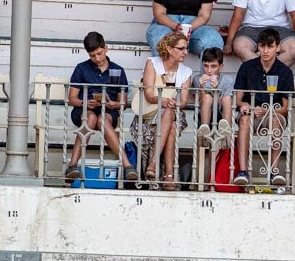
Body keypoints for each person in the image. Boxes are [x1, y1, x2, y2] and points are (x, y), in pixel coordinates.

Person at [65, 31, 137, 184]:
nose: (97, 58)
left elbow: (122, 102)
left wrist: (114, 104)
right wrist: (85, 102)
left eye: (99, 53)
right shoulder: (82, 68)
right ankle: (72, 166)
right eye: (92, 56)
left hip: (109, 110)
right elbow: (72, 99)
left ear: (106, 48)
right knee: (91, 118)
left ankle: (127, 166)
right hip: (84, 109)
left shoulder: (118, 70)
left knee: (102, 120)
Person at [233, 28, 295, 188]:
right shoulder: (246, 67)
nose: (266, 51)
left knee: (276, 121)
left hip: (273, 115)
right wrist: (245, 106)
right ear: (258, 47)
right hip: (251, 115)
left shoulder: (285, 71)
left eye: (270, 46)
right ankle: (243, 171)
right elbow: (238, 100)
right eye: (262, 46)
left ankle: (274, 170)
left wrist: (268, 111)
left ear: (278, 47)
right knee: (245, 119)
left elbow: (286, 107)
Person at [132, 31, 192, 190]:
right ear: (169, 49)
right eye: (181, 48)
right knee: (171, 126)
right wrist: (164, 100)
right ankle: (169, 177)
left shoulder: (186, 72)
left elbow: (184, 101)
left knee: (170, 114)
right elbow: (149, 94)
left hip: (174, 111)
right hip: (149, 114)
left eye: (186, 48)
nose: (185, 52)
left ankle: (153, 163)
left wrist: (173, 103)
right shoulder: (152, 63)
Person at [195, 47, 235, 137]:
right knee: (207, 97)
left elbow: (225, 103)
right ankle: (204, 132)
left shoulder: (227, 79)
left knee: (227, 99)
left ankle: (226, 131)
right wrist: (201, 87)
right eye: (206, 66)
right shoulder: (198, 79)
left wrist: (216, 89)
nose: (209, 70)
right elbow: (201, 101)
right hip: (202, 116)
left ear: (220, 67)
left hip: (220, 114)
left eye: (213, 66)